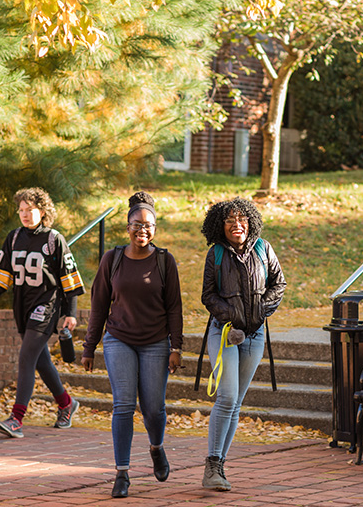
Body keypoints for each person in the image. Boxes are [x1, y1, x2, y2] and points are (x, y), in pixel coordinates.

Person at [81, 192, 183, 499]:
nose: (143, 229)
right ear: (128, 226)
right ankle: (122, 473)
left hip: (155, 342)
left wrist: (176, 347)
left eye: (149, 225)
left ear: (155, 228)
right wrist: (89, 347)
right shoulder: (112, 260)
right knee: (123, 405)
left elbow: (174, 308)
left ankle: (156, 448)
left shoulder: (165, 262)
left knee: (153, 407)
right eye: (137, 224)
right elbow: (98, 305)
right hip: (119, 340)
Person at [0, 187, 84, 438]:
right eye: (21, 210)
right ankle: (66, 404)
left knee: (26, 357)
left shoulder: (54, 239)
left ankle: (16, 418)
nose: (25, 215)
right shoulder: (14, 238)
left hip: (47, 305)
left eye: (30, 209)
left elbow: (68, 277)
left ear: (43, 211)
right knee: (41, 360)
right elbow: (2, 271)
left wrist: (70, 312)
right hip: (22, 305)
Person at [199, 197, 286, 491]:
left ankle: (219, 467)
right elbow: (208, 295)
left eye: (242, 219)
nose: (237, 225)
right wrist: (233, 316)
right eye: (230, 221)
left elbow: (279, 284)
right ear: (220, 226)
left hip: (256, 334)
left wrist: (259, 311)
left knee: (236, 403)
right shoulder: (216, 255)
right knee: (226, 396)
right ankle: (211, 465)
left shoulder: (264, 249)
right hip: (224, 332)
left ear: (250, 222)